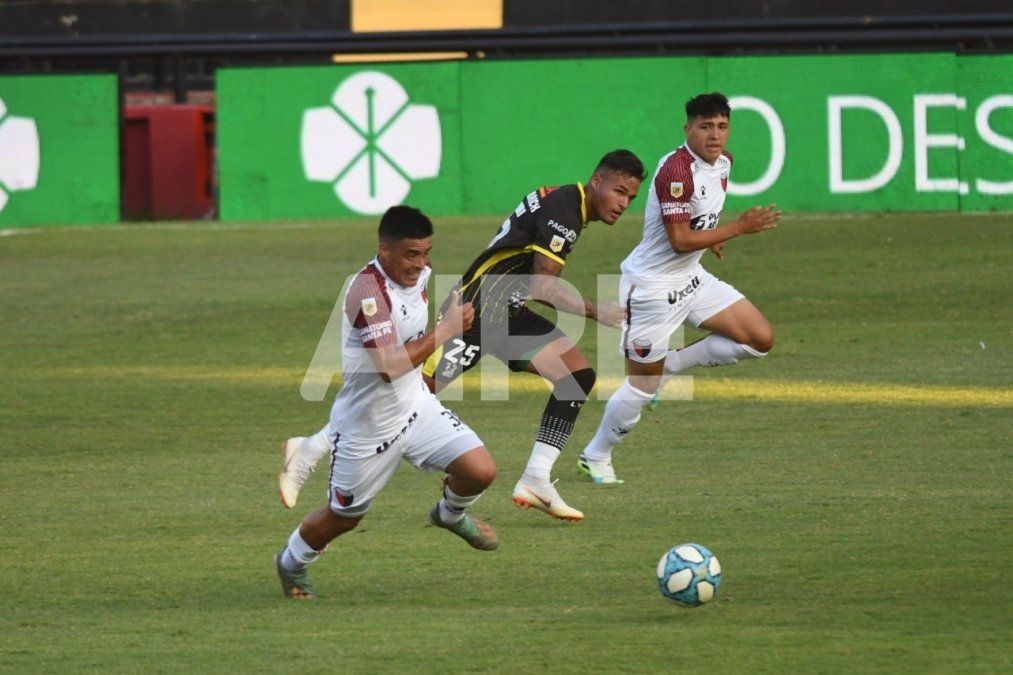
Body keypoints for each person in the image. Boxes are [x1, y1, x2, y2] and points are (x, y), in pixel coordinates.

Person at [279, 150, 646, 522]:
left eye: (630, 198)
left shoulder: (566, 202)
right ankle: (309, 449)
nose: (624, 203)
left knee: (575, 377)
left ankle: (536, 478)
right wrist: (596, 310)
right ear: (597, 181)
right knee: (403, 395)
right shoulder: (565, 211)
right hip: (476, 313)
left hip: (508, 313)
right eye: (619, 191)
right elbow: (543, 285)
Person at [275, 206, 498, 600]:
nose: (421, 263)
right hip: (365, 429)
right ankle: (291, 561)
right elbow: (389, 367)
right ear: (384, 250)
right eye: (411, 254)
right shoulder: (366, 293)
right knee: (344, 518)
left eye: (426, 252)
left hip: (415, 408)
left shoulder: (421, 275)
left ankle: (448, 514)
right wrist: (446, 330)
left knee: (480, 470)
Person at [577, 93, 781, 485]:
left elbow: (698, 222)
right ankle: (595, 455)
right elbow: (678, 241)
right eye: (705, 126)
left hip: (691, 278)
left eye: (722, 126)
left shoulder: (724, 163)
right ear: (687, 129)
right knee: (641, 386)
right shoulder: (676, 171)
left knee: (759, 339)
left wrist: (713, 235)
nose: (715, 135)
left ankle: (672, 364)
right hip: (652, 287)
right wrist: (737, 228)